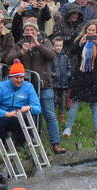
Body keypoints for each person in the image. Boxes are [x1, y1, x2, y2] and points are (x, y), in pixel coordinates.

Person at [6, 24, 65, 154]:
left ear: (37, 31)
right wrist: (22, 52)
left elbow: (52, 56)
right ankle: (30, 143)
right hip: (26, 86)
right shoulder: (20, 44)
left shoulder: (45, 41)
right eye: (27, 30)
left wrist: (38, 45)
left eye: (32, 30)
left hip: (44, 84)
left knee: (49, 114)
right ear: (23, 32)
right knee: (30, 115)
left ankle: (55, 143)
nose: (29, 32)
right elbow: (8, 59)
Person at [63, 20, 97, 139]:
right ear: (85, 30)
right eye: (89, 30)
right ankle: (68, 128)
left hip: (93, 76)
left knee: (94, 105)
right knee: (75, 103)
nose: (91, 32)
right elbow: (72, 52)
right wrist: (79, 43)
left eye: (93, 30)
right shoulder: (80, 40)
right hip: (80, 75)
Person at [0, 60, 42, 149]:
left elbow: (38, 108)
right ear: (10, 77)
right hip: (3, 115)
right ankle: (2, 145)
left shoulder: (28, 87)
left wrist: (29, 107)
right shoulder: (0, 86)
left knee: (27, 117)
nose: (20, 80)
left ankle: (19, 144)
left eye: (22, 78)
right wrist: (6, 114)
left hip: (18, 116)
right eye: (16, 77)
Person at [51, 36, 71, 120]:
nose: (58, 47)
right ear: (53, 46)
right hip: (54, 82)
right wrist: (52, 74)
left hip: (63, 82)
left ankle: (61, 115)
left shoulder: (65, 57)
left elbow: (69, 67)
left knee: (62, 99)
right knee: (54, 99)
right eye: (56, 46)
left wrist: (68, 74)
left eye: (60, 45)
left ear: (62, 46)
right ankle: (52, 115)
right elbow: (48, 68)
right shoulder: (51, 57)